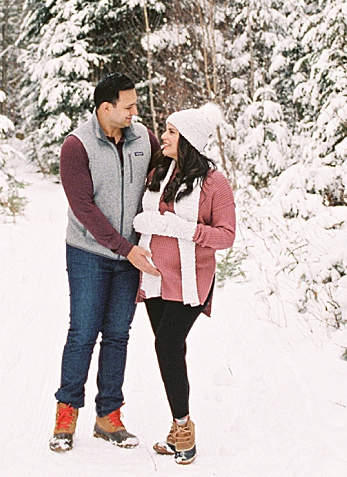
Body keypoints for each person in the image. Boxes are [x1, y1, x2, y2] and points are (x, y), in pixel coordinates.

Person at [50, 73, 161, 453]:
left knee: (118, 335)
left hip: (130, 255)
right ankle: (67, 413)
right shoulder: (76, 146)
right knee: (83, 332)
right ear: (105, 108)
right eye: (128, 106)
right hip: (88, 253)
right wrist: (124, 248)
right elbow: (83, 208)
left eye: (135, 105)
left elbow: (167, 176)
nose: (135, 112)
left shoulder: (143, 139)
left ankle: (108, 416)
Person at [132, 104, 236, 466]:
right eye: (165, 130)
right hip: (156, 276)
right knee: (170, 350)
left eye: (171, 132)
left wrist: (185, 229)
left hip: (191, 280)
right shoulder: (160, 171)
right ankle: (178, 427)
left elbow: (226, 237)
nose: (164, 136)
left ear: (189, 140)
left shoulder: (214, 183)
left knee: (167, 344)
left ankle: (183, 427)